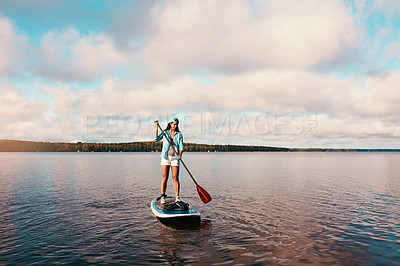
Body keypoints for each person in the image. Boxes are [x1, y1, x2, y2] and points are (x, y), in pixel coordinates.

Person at [154, 117, 184, 204]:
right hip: (165, 158)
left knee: (175, 178)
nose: (175, 126)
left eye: (177, 124)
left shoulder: (179, 134)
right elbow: (156, 139)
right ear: (170, 124)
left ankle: (177, 197)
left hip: (175, 158)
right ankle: (163, 196)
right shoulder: (165, 133)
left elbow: (181, 146)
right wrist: (156, 127)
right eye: (174, 124)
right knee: (164, 177)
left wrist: (180, 154)